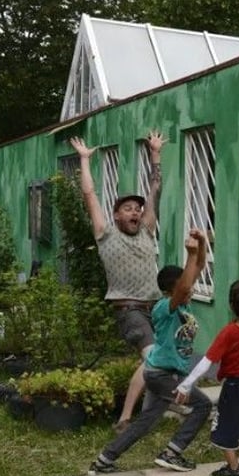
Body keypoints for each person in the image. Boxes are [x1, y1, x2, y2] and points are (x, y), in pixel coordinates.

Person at [89, 229, 213, 475]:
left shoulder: (183, 304)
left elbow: (198, 267)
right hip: (163, 374)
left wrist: (200, 243)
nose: (191, 287)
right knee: (202, 406)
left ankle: (105, 459)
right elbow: (187, 281)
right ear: (173, 288)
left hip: (160, 373)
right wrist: (189, 255)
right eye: (184, 286)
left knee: (147, 421)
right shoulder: (164, 307)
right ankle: (172, 452)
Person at [71, 131, 167, 433]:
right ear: (115, 216)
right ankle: (125, 419)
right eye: (128, 208)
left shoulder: (147, 230)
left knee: (159, 361)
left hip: (156, 308)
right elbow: (89, 195)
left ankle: (151, 413)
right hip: (130, 310)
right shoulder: (105, 234)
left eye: (137, 209)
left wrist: (155, 154)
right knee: (153, 359)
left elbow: (155, 188)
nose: (136, 211)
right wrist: (85, 160)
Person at [175, 279, 239, 476]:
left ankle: (233, 469)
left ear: (231, 305)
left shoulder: (229, 333)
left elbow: (206, 362)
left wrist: (185, 384)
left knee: (226, 426)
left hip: (236, 385)